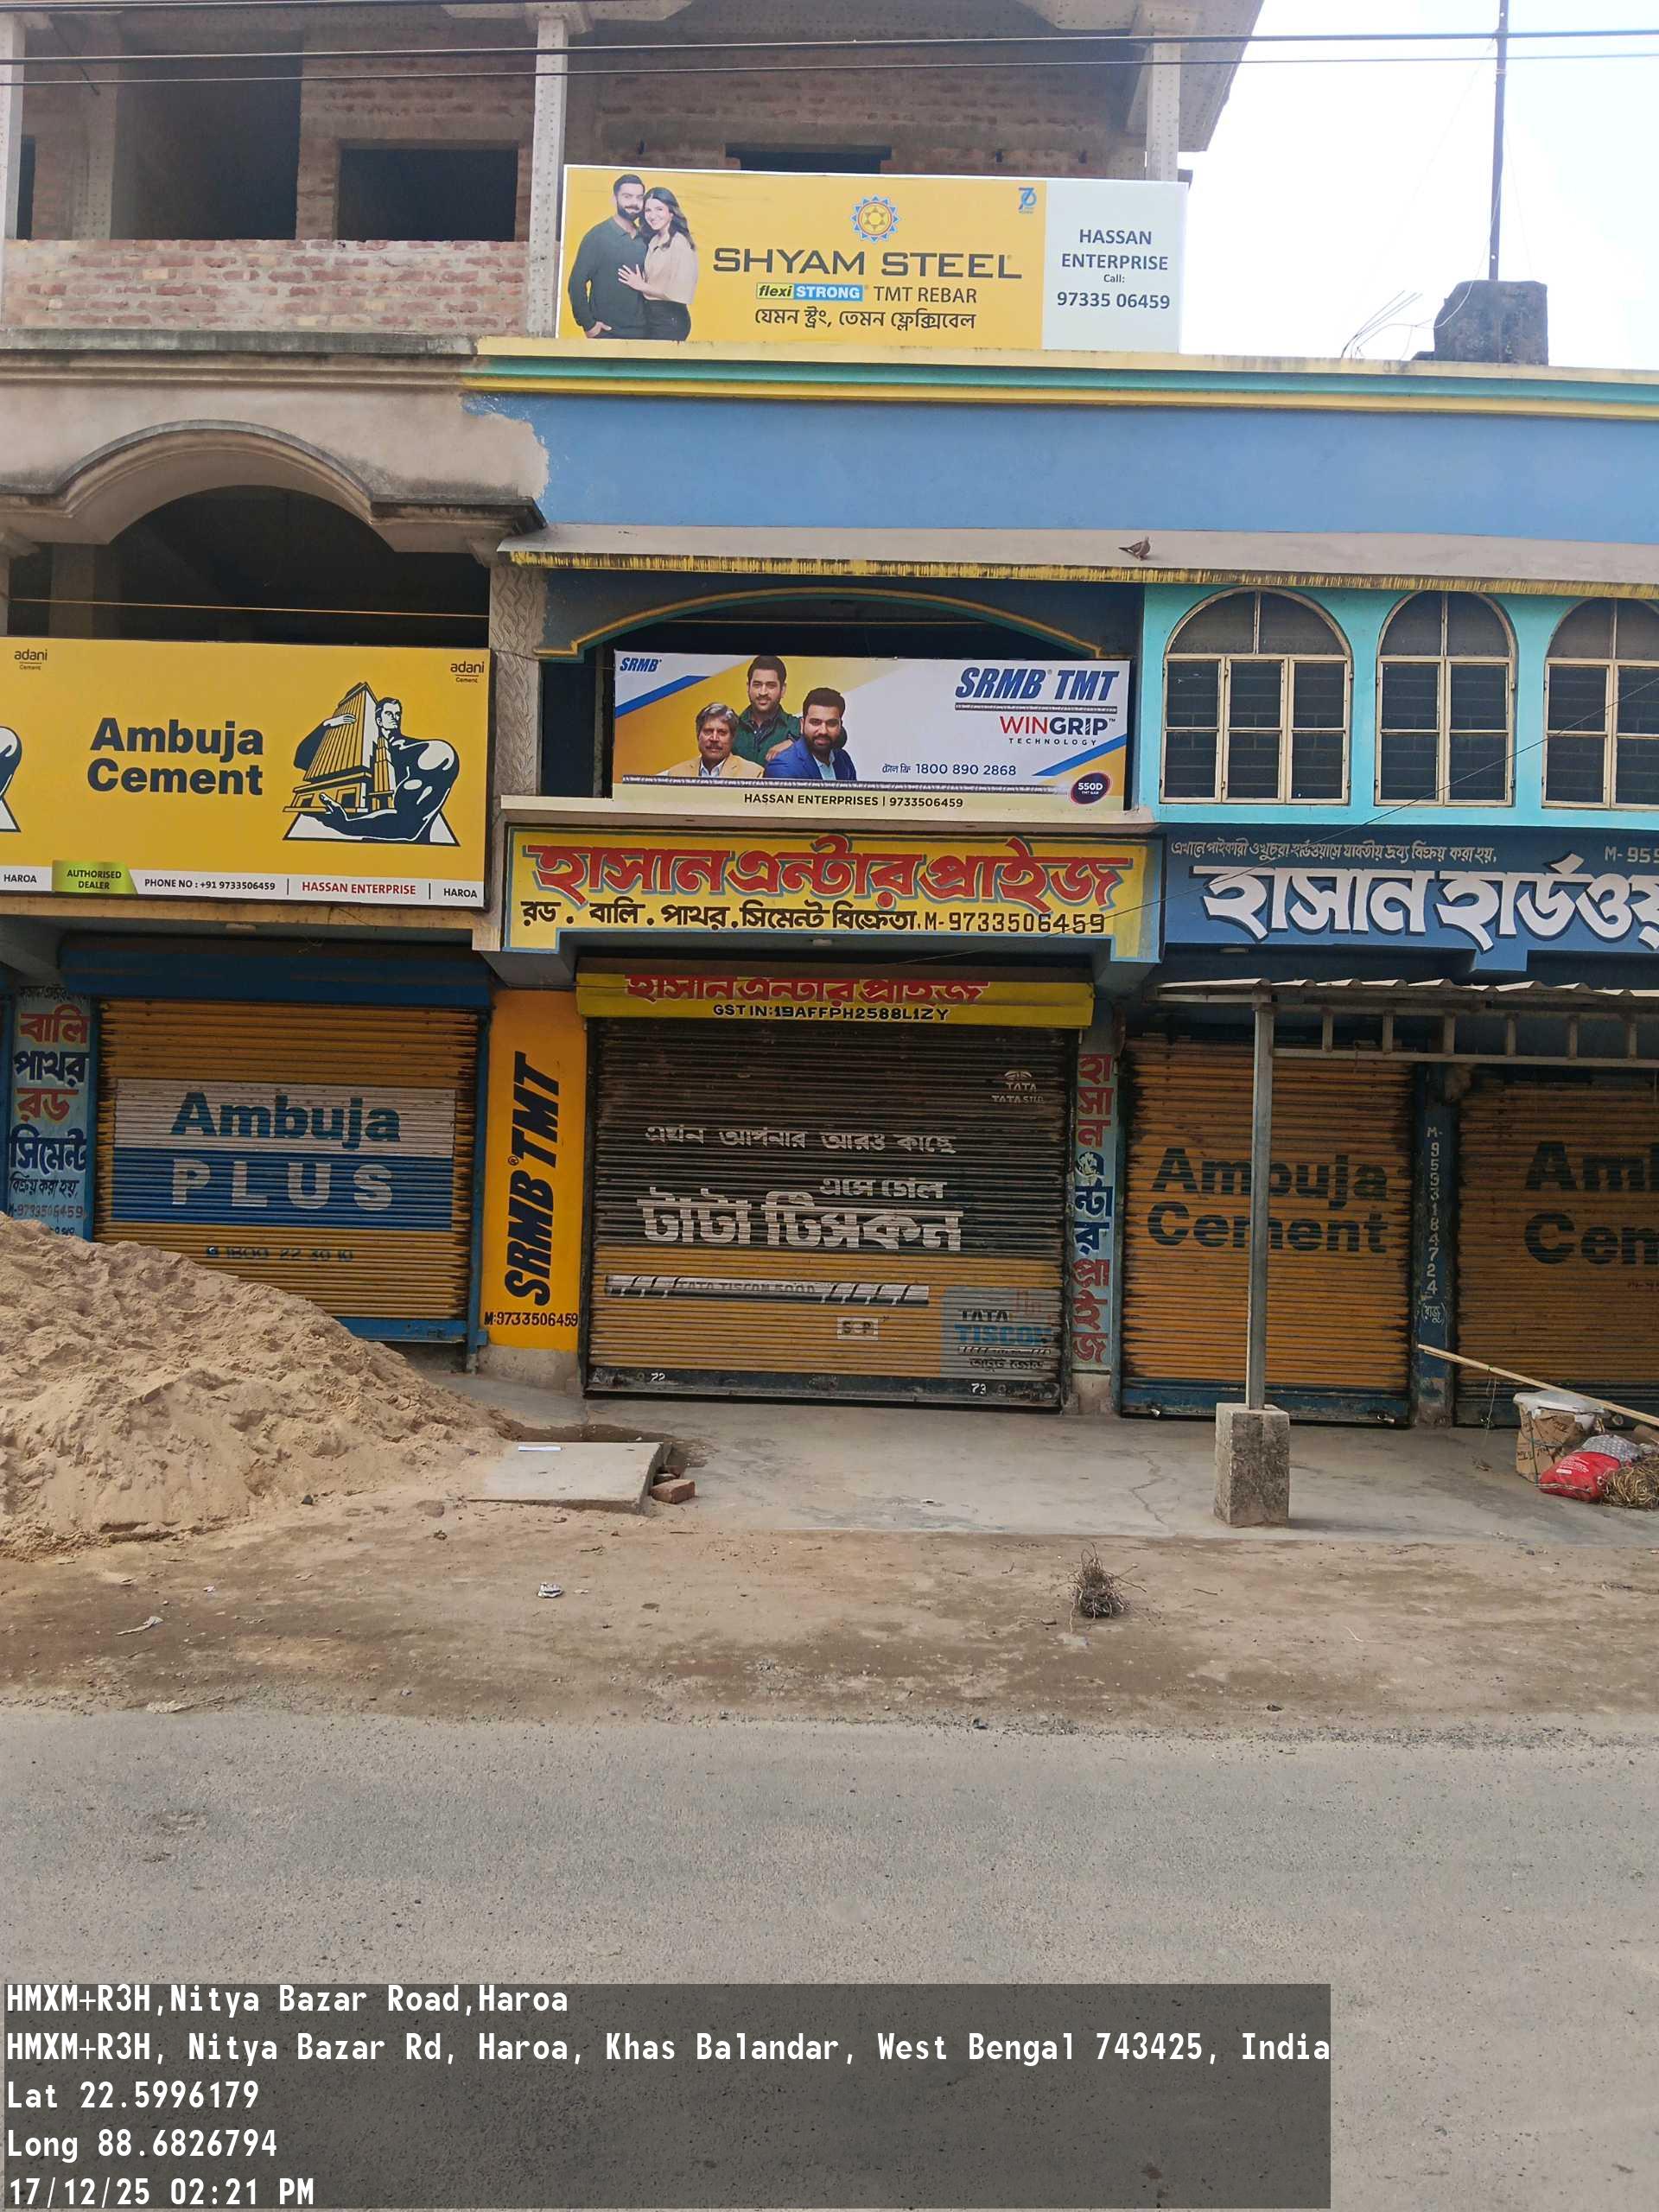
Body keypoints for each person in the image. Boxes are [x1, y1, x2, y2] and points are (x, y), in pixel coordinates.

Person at [297, 696, 461, 843]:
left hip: (408, 855)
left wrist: (345, 824)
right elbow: (301, 761)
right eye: (389, 713)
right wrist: (326, 725)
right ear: (378, 720)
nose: (395, 718)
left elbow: (408, 828)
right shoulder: (365, 756)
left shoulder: (432, 752)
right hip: (364, 851)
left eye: (398, 714)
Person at [565, 174, 647, 340]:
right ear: (614, 199)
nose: (634, 202)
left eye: (639, 197)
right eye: (627, 196)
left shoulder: (646, 238)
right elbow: (576, 283)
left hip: (644, 333)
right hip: (607, 334)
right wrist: (589, 325)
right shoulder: (598, 236)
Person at [618, 187, 698, 342]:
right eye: (648, 210)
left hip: (670, 319)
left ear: (671, 213)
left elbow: (679, 293)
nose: (652, 216)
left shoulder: (680, 244)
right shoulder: (654, 239)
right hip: (651, 315)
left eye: (659, 209)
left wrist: (641, 286)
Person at [762, 688, 857, 783]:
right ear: (802, 724)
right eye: (815, 722)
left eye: (831, 723)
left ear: (840, 726)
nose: (823, 731)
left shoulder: (843, 759)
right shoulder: (782, 768)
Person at [661, 702, 762, 781]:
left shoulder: (753, 774)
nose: (714, 738)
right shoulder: (676, 774)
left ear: (733, 738)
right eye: (708, 731)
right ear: (698, 735)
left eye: (722, 732)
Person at [733, 654, 799, 766]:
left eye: (771, 686)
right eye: (757, 685)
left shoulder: (796, 726)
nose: (763, 692)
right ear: (748, 687)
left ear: (783, 690)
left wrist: (795, 743)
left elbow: (831, 738)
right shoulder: (732, 727)